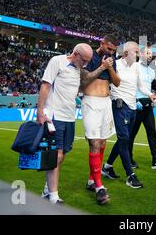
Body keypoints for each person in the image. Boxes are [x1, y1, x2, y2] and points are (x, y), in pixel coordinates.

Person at [37, 43, 93, 204]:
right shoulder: (57, 61)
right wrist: (40, 111)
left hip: (70, 117)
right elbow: (45, 85)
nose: (85, 64)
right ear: (75, 54)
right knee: (57, 154)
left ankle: (48, 190)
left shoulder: (77, 69)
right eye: (84, 61)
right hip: (55, 115)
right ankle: (53, 196)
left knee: (62, 155)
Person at [102, 42, 156, 189]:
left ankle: (107, 167)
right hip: (120, 106)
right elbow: (112, 84)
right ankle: (130, 176)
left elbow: (140, 85)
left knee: (123, 139)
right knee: (124, 139)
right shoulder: (115, 64)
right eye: (136, 52)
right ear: (126, 53)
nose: (139, 54)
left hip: (133, 107)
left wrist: (150, 94)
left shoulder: (136, 67)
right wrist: (114, 98)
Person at [80, 34, 121, 205]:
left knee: (102, 143)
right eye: (109, 48)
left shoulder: (112, 60)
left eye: (113, 50)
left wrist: (110, 67)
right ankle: (99, 187)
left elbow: (117, 82)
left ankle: (91, 180)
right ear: (101, 43)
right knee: (94, 143)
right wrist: (102, 67)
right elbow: (84, 80)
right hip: (90, 102)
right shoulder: (90, 55)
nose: (111, 52)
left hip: (106, 103)